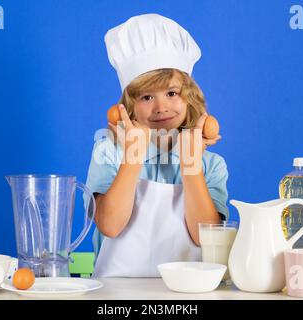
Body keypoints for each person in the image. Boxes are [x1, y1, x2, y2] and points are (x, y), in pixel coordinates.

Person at [85, 14, 229, 277]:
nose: (161, 107)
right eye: (147, 96)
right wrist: (132, 158)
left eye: (172, 93)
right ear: (128, 108)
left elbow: (206, 238)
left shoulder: (211, 165)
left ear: (190, 98)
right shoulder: (108, 153)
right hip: (116, 292)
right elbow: (109, 225)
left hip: (188, 291)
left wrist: (191, 166)